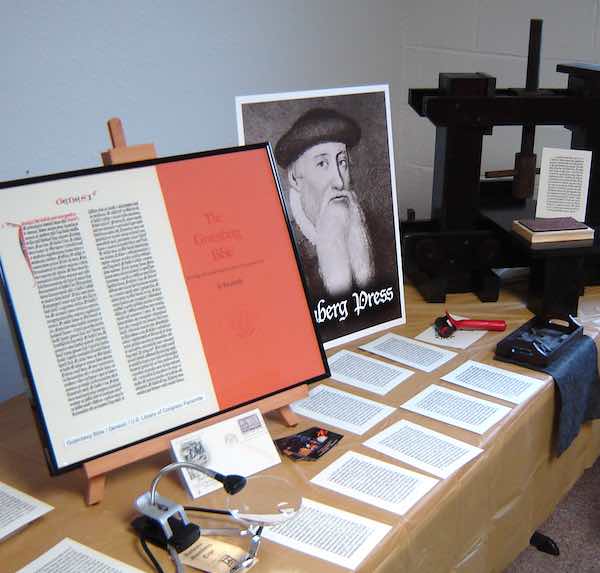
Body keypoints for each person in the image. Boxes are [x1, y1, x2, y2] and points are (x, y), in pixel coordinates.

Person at [275, 108, 374, 299]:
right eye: (322, 164)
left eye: (342, 162)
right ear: (295, 179)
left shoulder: (372, 229)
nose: (339, 181)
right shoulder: (285, 250)